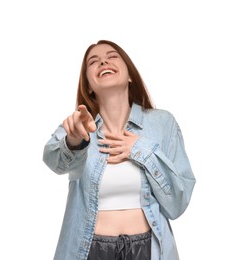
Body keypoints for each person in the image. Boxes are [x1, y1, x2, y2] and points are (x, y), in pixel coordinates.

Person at [43, 40, 196, 260]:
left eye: (112, 56)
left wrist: (140, 149)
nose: (103, 61)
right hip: (89, 250)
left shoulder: (163, 123)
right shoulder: (79, 125)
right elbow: (53, 160)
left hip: (148, 250)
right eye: (93, 61)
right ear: (88, 86)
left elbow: (177, 205)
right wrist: (75, 141)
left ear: (130, 75)